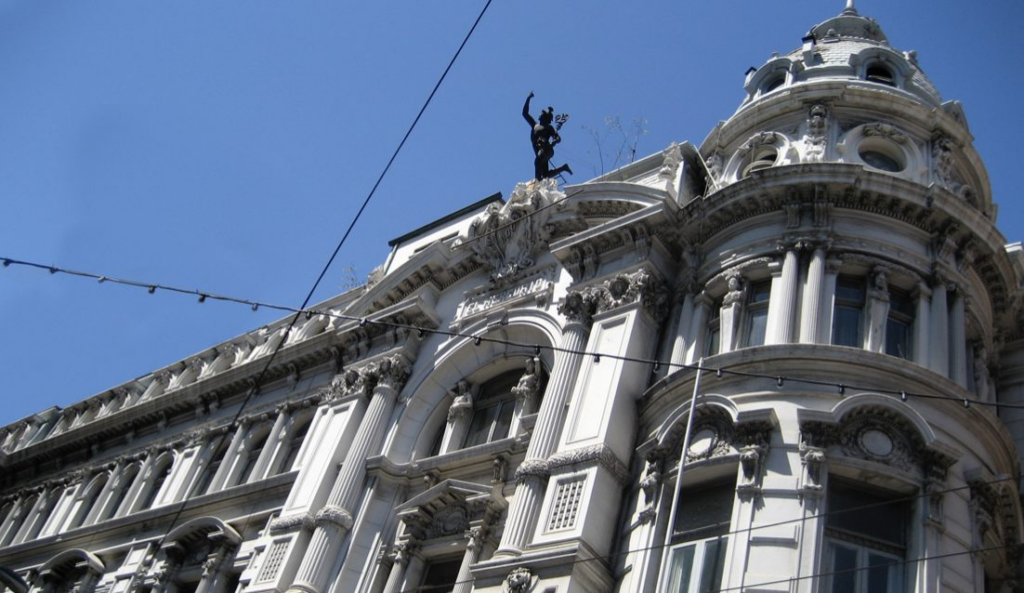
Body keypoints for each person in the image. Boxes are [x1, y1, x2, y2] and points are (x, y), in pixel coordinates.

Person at [523, 91, 572, 180]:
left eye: (542, 113)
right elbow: (525, 113)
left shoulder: (548, 127)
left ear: (545, 117)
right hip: (539, 151)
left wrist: (553, 142)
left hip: (546, 149)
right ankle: (564, 167)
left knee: (537, 162)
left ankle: (537, 184)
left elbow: (558, 138)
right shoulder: (535, 125)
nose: (539, 114)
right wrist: (528, 98)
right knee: (545, 175)